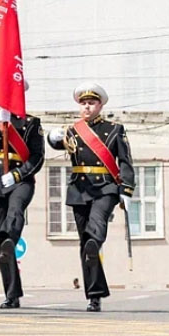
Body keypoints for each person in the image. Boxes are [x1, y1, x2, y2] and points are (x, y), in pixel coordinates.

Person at [47, 82, 134, 313]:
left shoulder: (115, 129)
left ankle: (96, 248)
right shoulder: (73, 131)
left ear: (100, 105)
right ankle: (94, 296)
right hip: (79, 190)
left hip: (105, 188)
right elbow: (57, 144)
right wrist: (52, 137)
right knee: (86, 246)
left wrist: (126, 189)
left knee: (94, 235)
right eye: (83, 103)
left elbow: (125, 162)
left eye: (91, 103)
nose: (87, 107)